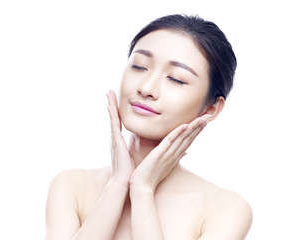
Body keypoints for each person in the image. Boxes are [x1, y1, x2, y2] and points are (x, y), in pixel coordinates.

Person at [45, 14, 253, 240]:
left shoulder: (224, 210)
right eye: (139, 66)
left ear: (211, 108)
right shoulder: (71, 187)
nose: (146, 88)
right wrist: (117, 185)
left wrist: (143, 189)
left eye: (176, 79)